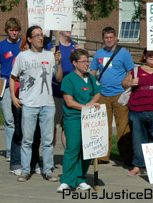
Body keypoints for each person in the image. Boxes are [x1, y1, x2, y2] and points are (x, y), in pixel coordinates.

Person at [9, 26, 62, 182]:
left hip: (47, 104)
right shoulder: (22, 57)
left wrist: (58, 63)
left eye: (42, 35)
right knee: (27, 139)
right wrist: (13, 96)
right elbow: (13, 77)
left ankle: (48, 170)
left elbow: (58, 78)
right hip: (29, 104)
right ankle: (25, 170)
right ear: (29, 39)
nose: (40, 38)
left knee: (47, 140)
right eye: (37, 35)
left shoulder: (50, 55)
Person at [57, 49, 101, 192]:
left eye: (88, 61)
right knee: (73, 149)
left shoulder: (91, 78)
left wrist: (92, 103)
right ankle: (67, 180)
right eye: (83, 61)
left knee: (87, 150)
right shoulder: (68, 79)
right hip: (74, 118)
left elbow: (97, 93)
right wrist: (85, 107)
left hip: (89, 119)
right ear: (75, 63)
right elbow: (69, 102)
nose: (87, 64)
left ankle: (80, 178)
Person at [90, 27, 134, 166]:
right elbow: (92, 72)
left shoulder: (124, 54)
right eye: (106, 37)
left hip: (120, 94)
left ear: (115, 38)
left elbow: (130, 73)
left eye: (111, 37)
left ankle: (127, 157)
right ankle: (102, 156)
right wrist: (92, 89)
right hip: (102, 94)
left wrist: (128, 89)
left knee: (123, 126)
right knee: (103, 126)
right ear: (103, 39)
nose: (109, 40)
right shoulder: (98, 54)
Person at [0, 18, 22, 162]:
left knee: (22, 120)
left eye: (16, 30)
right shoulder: (0, 47)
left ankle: (22, 149)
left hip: (22, 86)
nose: (14, 33)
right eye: (11, 30)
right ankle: (10, 151)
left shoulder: (24, 45)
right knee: (9, 120)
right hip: (5, 86)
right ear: (6, 31)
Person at [45, 29, 79, 149]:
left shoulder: (75, 47)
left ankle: (69, 156)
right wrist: (51, 54)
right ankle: (49, 158)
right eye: (66, 27)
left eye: (71, 26)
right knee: (52, 126)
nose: (69, 29)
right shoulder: (52, 46)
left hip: (72, 94)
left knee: (67, 127)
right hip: (56, 93)